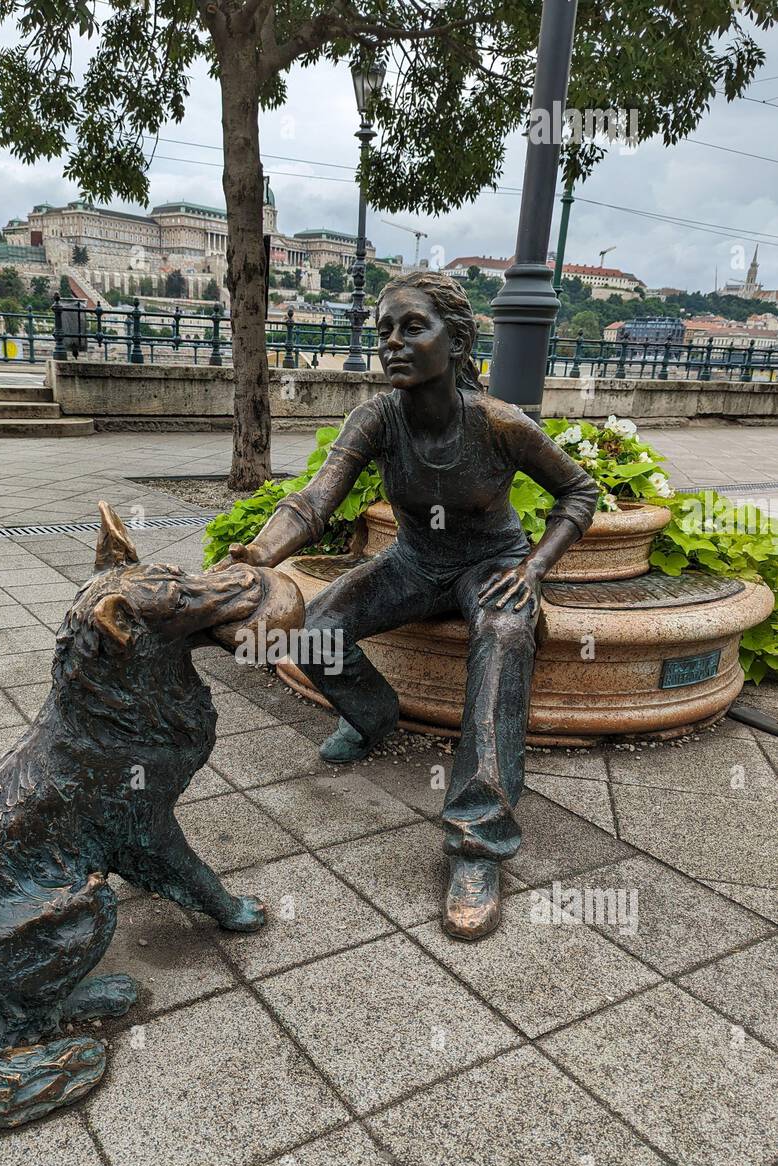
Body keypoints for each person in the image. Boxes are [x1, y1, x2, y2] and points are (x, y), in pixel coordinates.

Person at [215, 270, 598, 939]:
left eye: (412, 327)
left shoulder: (500, 423)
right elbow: (312, 500)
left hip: (491, 565)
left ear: (455, 342)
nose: (392, 342)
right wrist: (260, 553)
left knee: (506, 637)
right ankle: (373, 716)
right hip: (414, 562)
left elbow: (580, 493)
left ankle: (477, 845)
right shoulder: (377, 418)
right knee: (314, 629)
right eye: (383, 331)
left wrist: (535, 570)